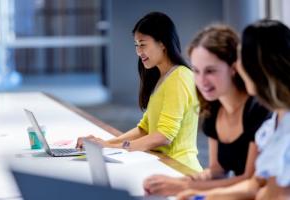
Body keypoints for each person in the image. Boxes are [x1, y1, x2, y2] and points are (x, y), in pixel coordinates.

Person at [143, 24, 271, 196]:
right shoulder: (213, 107)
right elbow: (217, 171)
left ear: (233, 68)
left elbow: (249, 179)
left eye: (210, 71)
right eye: (196, 71)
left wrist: (185, 187)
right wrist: (181, 180)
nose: (202, 81)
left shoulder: (258, 109)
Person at [177, 19, 290, 200]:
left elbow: (267, 190)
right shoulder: (274, 122)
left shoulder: (264, 113)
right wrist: (202, 194)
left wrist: (197, 191)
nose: (238, 65)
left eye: (241, 60)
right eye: (196, 71)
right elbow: (256, 184)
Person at [76, 12, 202, 171]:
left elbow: (164, 137)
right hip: (163, 164)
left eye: (143, 44)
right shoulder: (163, 77)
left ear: (162, 43)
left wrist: (112, 146)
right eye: (136, 45)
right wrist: (105, 143)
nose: (138, 51)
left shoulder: (179, 77)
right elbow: (144, 129)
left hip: (179, 169)